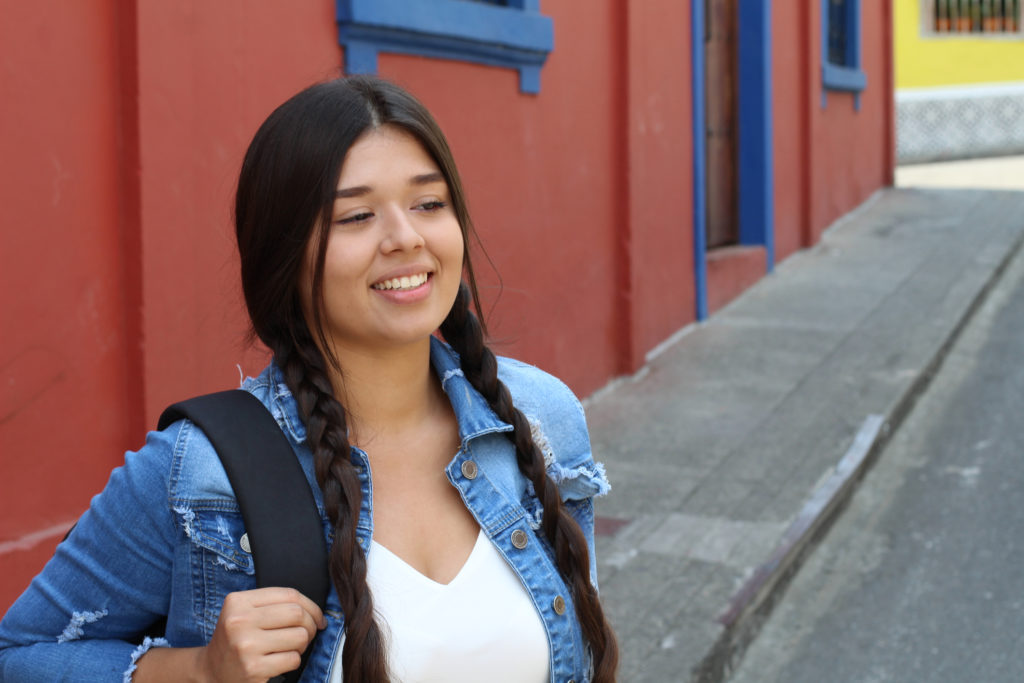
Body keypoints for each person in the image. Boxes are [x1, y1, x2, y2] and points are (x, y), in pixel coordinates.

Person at [0, 75, 618, 682]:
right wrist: (194, 672)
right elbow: (19, 656)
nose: (406, 238)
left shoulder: (539, 417)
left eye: (429, 204)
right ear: (284, 254)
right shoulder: (202, 470)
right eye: (356, 216)